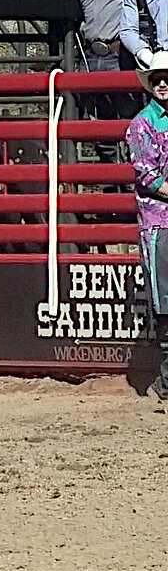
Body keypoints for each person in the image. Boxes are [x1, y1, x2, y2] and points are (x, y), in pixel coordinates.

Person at [26, 0, 146, 165]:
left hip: (120, 53)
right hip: (90, 55)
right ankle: (110, 187)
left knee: (130, 121)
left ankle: (131, 183)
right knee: (100, 124)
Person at [126, 51, 168, 404]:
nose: (163, 84)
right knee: (165, 296)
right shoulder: (143, 124)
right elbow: (148, 176)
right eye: (157, 79)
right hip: (159, 221)